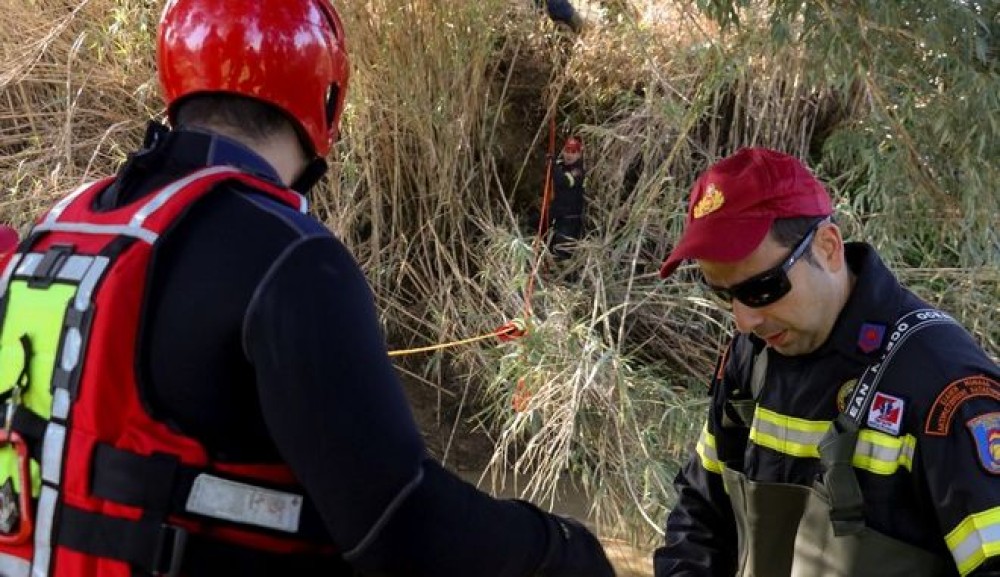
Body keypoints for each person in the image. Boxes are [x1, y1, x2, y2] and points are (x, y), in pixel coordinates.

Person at [0, 1, 617, 576]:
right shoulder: (288, 256)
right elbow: (405, 526)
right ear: (323, 98)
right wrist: (563, 551)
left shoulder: (61, 227)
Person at [653, 147, 1000, 576]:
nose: (744, 320)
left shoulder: (944, 385)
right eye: (726, 296)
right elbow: (701, 513)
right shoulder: (752, 358)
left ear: (828, 246)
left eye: (762, 289)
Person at [548, 136, 587, 262]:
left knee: (562, 254)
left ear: (579, 154)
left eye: (573, 152)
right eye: (567, 150)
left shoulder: (578, 172)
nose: (569, 155)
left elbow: (563, 181)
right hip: (557, 218)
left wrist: (552, 166)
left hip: (570, 222)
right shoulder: (560, 165)